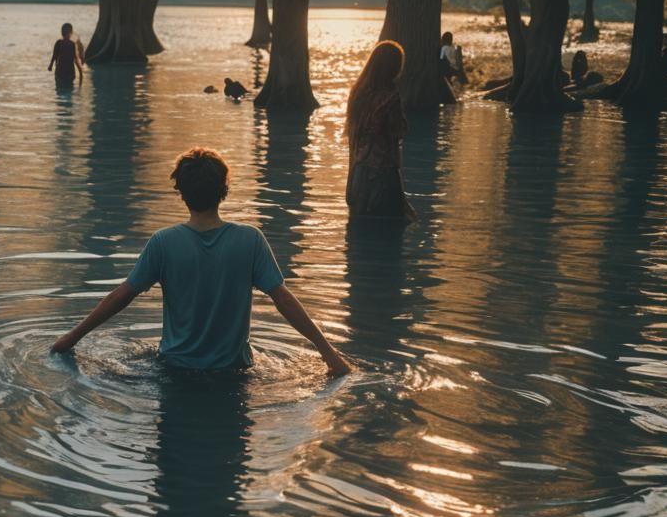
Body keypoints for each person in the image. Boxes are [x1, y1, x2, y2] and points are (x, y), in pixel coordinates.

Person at [50, 147, 352, 375]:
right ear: (224, 190)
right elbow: (283, 299)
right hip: (234, 372)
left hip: (175, 369)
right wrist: (328, 354)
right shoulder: (250, 240)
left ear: (180, 193)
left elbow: (121, 297)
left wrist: (70, 338)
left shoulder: (163, 242)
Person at [345, 40, 416, 221]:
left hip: (358, 173)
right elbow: (396, 134)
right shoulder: (390, 97)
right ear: (393, 67)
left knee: (359, 236)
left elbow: (353, 139)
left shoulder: (357, 92)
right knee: (390, 231)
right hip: (382, 176)